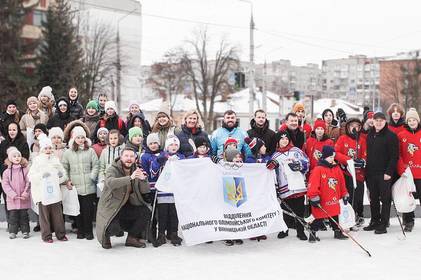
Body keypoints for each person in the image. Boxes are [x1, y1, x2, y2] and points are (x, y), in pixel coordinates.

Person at [96, 147, 151, 249]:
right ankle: (106, 236)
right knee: (115, 229)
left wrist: (143, 180)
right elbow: (110, 183)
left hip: (126, 206)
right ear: (121, 157)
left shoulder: (136, 169)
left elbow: (145, 191)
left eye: (131, 156)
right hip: (112, 206)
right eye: (126, 156)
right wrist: (130, 178)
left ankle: (131, 238)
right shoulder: (112, 169)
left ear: (135, 158)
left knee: (146, 211)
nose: (129, 158)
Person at [266, 130, 309, 241]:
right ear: (278, 141)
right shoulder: (275, 155)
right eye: (282, 139)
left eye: (286, 139)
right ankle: (284, 229)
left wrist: (300, 165)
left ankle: (301, 231)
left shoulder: (296, 151)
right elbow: (272, 172)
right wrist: (271, 166)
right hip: (284, 188)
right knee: (285, 210)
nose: (284, 141)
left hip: (298, 186)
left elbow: (307, 162)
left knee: (299, 210)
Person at [28, 135, 68, 243]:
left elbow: (64, 174)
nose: (48, 150)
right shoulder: (37, 161)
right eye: (46, 148)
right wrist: (41, 176)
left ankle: (60, 234)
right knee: (44, 215)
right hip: (42, 192)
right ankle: (46, 236)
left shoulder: (55, 160)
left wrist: (60, 176)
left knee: (57, 214)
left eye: (50, 148)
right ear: (42, 150)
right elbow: (31, 176)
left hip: (54, 191)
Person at [61, 126, 99, 240]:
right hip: (75, 187)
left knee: (88, 210)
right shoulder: (68, 152)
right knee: (78, 210)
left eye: (83, 137)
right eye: (78, 137)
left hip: (89, 186)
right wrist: (67, 180)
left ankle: (88, 231)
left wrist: (92, 176)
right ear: (74, 138)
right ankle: (80, 230)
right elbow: (64, 168)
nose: (81, 139)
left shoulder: (90, 150)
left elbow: (96, 165)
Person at [364, 112, 399, 234]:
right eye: (376, 120)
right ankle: (375, 221)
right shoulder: (370, 135)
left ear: (385, 122)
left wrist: (389, 172)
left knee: (385, 199)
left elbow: (394, 156)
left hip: (384, 173)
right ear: (373, 121)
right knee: (373, 198)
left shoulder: (391, 136)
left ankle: (383, 224)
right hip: (371, 173)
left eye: (381, 120)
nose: (378, 123)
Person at [307, 145, 349, 242]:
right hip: (322, 199)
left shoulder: (336, 168)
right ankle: (312, 233)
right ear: (324, 157)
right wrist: (313, 196)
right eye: (330, 157)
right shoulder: (318, 169)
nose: (332, 159)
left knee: (335, 215)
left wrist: (345, 193)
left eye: (333, 157)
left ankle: (337, 231)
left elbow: (342, 183)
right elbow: (313, 184)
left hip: (333, 198)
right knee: (318, 217)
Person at [151, 135, 185, 247]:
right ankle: (161, 234)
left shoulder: (181, 157)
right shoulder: (162, 156)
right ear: (167, 146)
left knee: (174, 213)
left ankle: (173, 233)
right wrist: (159, 161)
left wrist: (181, 162)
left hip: (176, 191)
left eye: (176, 145)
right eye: (171, 144)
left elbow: (186, 172)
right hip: (163, 191)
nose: (174, 146)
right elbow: (153, 171)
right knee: (162, 214)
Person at [334, 118, 367, 227]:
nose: (354, 128)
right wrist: (348, 160)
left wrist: (362, 161)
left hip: (359, 174)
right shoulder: (342, 139)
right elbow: (336, 153)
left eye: (356, 126)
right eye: (352, 125)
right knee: (347, 195)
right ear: (348, 127)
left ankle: (359, 215)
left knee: (359, 196)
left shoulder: (362, 140)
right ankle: (347, 216)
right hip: (346, 174)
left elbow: (366, 154)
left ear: (359, 127)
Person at [397, 108, 421, 232]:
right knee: (408, 197)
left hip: (420, 173)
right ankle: (408, 221)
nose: (412, 122)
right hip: (407, 174)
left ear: (418, 120)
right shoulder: (401, 135)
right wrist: (402, 168)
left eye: (414, 120)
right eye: (409, 120)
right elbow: (398, 154)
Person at [2, 147, 31, 239]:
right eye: (14, 156)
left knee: (24, 216)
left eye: (18, 156)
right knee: (13, 216)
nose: (17, 158)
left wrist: (25, 193)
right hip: (12, 199)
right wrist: (12, 195)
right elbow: (5, 185)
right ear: (10, 159)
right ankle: (13, 232)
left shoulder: (25, 170)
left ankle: (25, 231)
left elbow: (29, 182)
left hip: (23, 198)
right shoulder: (6, 172)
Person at [98, 129, 125, 196]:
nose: (113, 140)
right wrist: (102, 180)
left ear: (119, 139)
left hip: (120, 181)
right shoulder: (104, 151)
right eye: (111, 138)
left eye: (115, 138)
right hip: (107, 181)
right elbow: (101, 168)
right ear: (108, 139)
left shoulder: (123, 151)